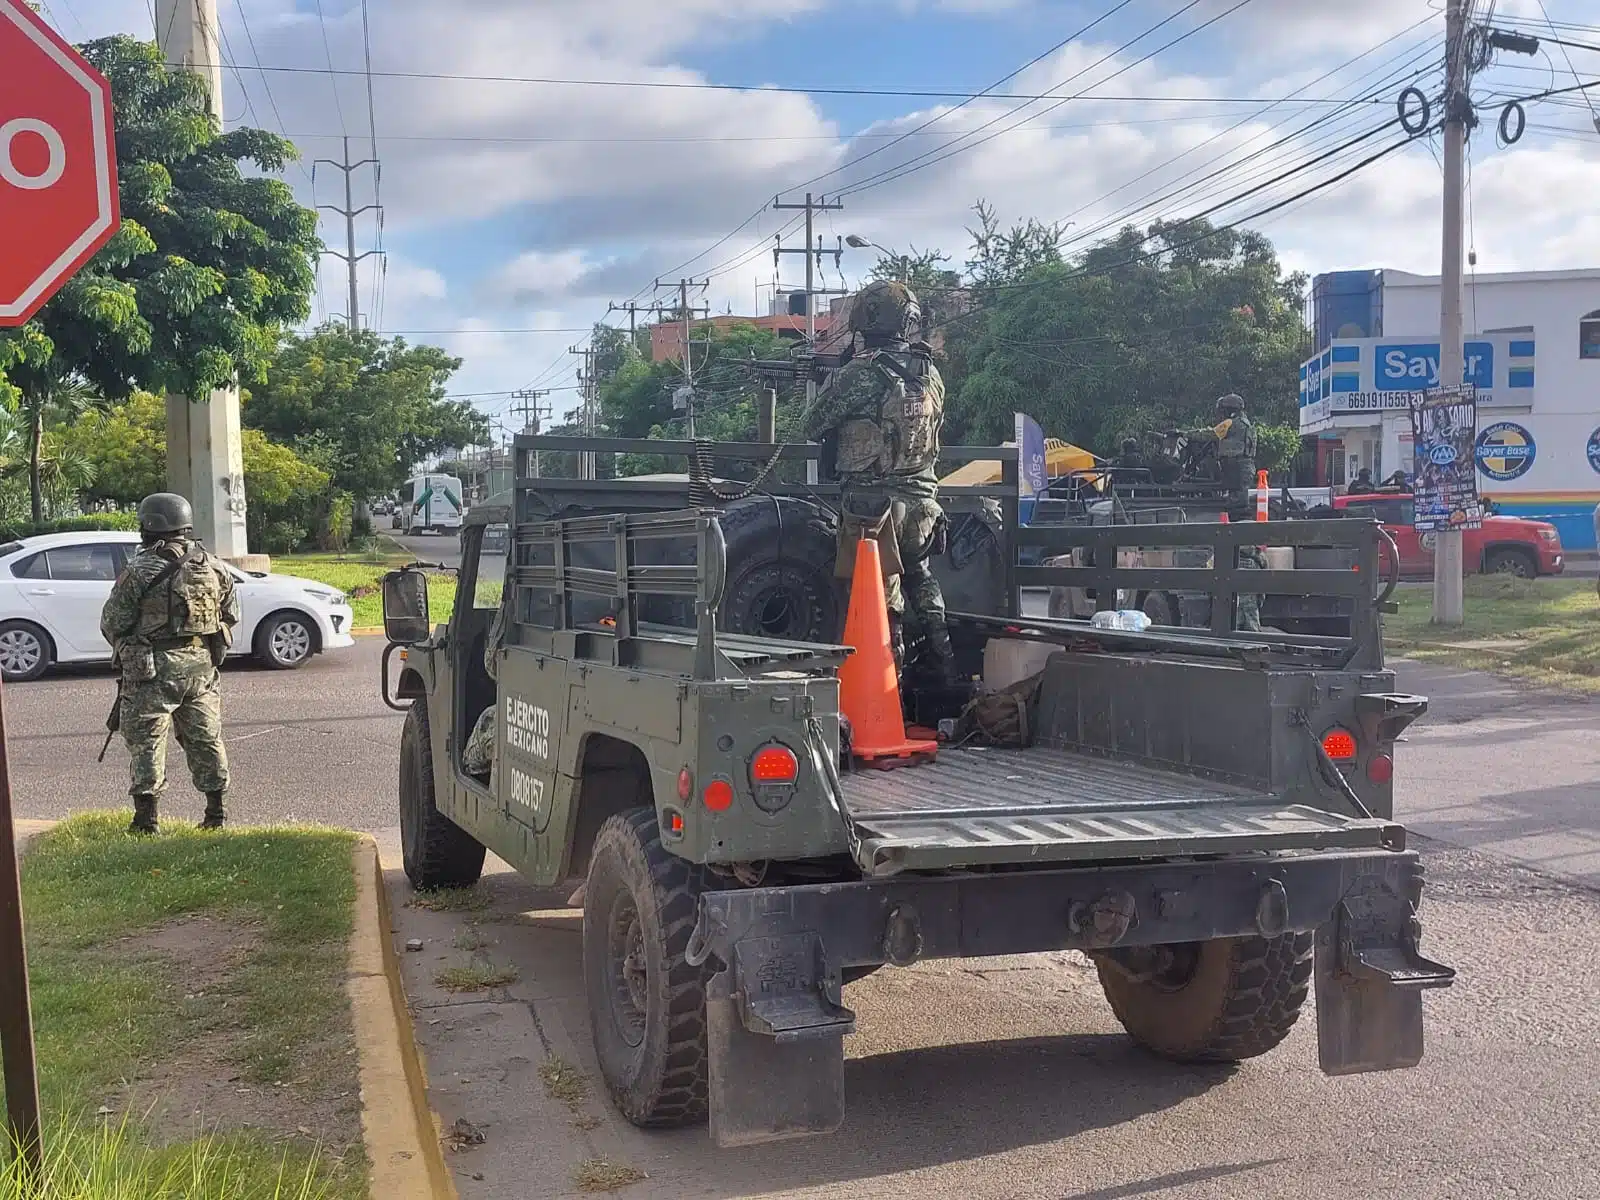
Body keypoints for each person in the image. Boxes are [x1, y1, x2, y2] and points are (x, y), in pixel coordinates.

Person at [804, 279, 955, 682]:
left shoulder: (861, 375)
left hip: (872, 509)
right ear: (907, 322)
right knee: (921, 576)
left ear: (862, 323)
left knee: (881, 599)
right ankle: (946, 666)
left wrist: (831, 379)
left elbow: (813, 423)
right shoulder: (931, 373)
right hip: (924, 503)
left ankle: (889, 689)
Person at [100, 493, 240, 833]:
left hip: (152, 671)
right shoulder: (213, 566)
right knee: (206, 738)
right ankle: (215, 815)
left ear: (150, 527)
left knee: (148, 741)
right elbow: (230, 614)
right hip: (201, 668)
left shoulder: (140, 571)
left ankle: (146, 821)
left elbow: (112, 622)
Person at [1184, 394, 1262, 631]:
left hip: (1237, 468)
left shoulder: (1231, 423)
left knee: (1237, 505)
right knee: (1238, 503)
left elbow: (1210, 434)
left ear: (1228, 410)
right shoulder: (1247, 425)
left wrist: (1187, 434)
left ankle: (1238, 528)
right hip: (1243, 468)